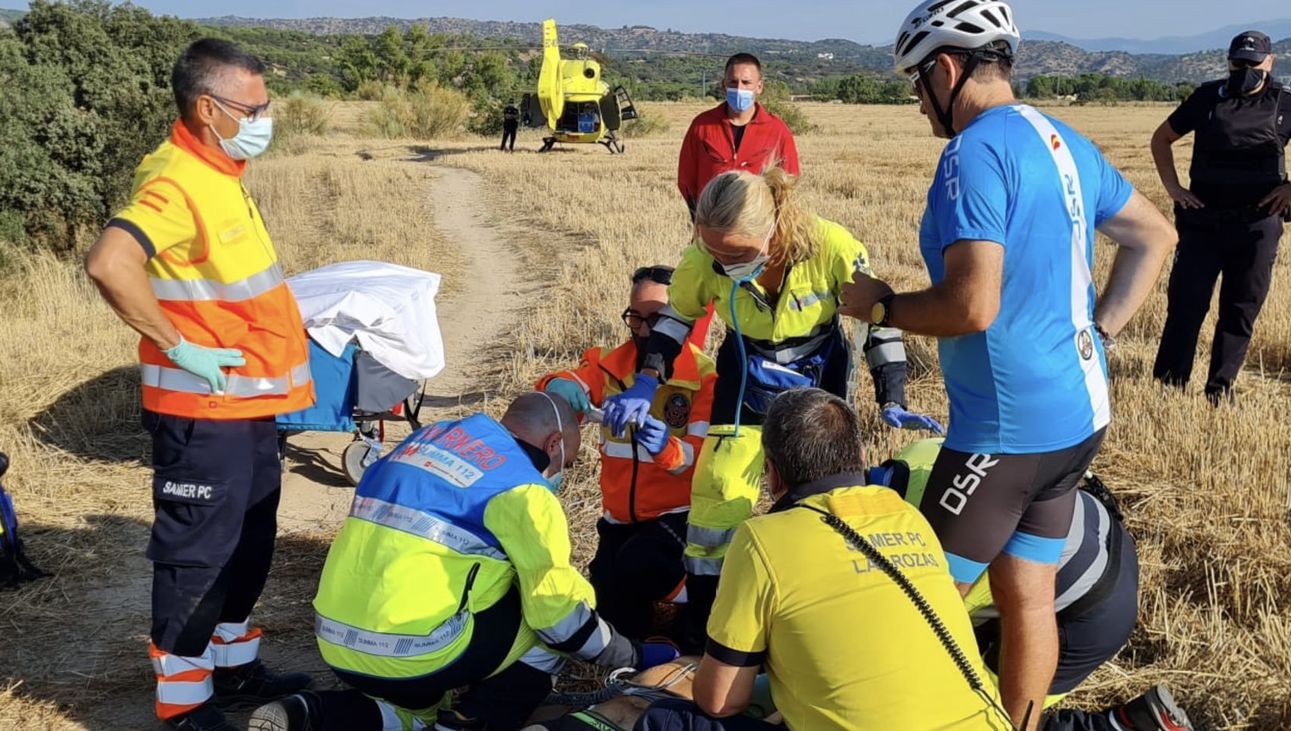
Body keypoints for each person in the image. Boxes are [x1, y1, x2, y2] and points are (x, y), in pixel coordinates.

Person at [839, 2, 1176, 727]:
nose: (915, 100)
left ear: (948, 69)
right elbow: (1154, 235)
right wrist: (1100, 330)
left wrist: (880, 308)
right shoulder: (1062, 139)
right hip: (1078, 418)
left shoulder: (974, 151)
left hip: (1006, 435)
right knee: (1025, 594)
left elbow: (972, 305)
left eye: (914, 81)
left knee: (906, 605)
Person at [603, 167, 943, 649]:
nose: (721, 263)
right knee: (717, 497)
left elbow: (879, 321)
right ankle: (707, 627)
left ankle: (816, 619)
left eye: (735, 254)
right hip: (746, 375)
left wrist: (892, 396)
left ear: (775, 224)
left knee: (819, 499)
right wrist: (645, 379)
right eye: (713, 251)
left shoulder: (832, 247)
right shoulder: (706, 256)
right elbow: (678, 316)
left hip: (817, 379)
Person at [83, 39, 314, 731]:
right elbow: (109, 263)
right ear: (208, 109)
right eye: (256, 105)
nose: (266, 116)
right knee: (198, 554)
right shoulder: (178, 180)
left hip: (248, 406)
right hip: (201, 408)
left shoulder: (223, 170)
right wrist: (181, 347)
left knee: (250, 539)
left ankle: (234, 663)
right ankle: (183, 704)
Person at [249, 392, 679, 731]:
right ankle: (475, 721)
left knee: (414, 714)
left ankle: (312, 712)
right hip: (417, 654)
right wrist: (633, 654)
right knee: (548, 623)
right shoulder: (523, 490)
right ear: (553, 444)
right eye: (568, 458)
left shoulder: (425, 441)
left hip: (335, 640)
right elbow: (559, 618)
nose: (561, 471)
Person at [636, 389, 1011, 731]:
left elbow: (720, 700)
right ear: (861, 457)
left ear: (771, 472)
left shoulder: (762, 540)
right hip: (986, 722)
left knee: (663, 721)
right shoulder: (908, 516)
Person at [880, 440, 1195, 731]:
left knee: (985, 714)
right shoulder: (919, 452)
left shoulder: (921, 543)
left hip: (1089, 606)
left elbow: (935, 631)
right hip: (1097, 529)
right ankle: (1135, 721)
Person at [537, 265, 717, 641]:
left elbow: (701, 463)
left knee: (642, 566)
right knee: (613, 605)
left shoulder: (703, 379)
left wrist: (664, 447)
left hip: (678, 518)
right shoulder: (609, 366)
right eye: (636, 318)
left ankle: (703, 597)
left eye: (658, 319)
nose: (646, 331)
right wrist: (558, 386)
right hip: (619, 520)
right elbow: (565, 380)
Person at [1150, 30, 1291, 404]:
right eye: (1238, 62)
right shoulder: (1207, 97)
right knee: (1185, 305)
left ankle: (1220, 388)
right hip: (1202, 221)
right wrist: (1174, 190)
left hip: (1257, 224)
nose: (1245, 68)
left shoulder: (1287, 103)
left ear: (1269, 62)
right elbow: (1161, 138)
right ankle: (1169, 387)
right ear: (1228, 61)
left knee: (1240, 308)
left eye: (1253, 62)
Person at [677, 53, 802, 351]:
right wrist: (702, 225)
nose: (739, 88)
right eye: (733, 82)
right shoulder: (702, 127)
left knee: (756, 301)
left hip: (757, 240)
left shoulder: (777, 130)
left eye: (746, 82)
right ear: (723, 85)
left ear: (760, 87)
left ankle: (754, 356)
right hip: (713, 233)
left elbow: (790, 183)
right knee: (700, 296)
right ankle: (690, 361)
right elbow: (687, 181)